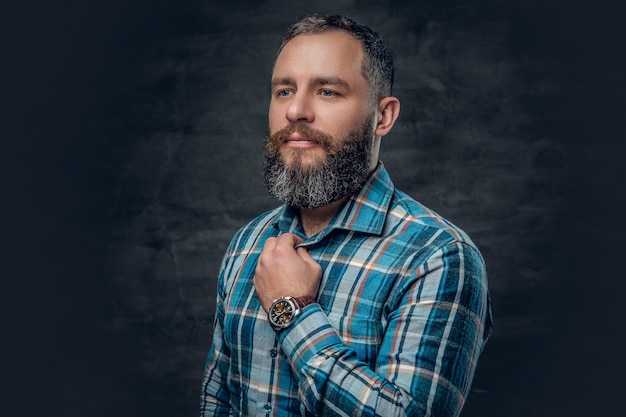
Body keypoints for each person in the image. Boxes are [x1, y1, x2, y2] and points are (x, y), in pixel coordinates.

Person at [200, 14, 492, 417]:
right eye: (284, 91)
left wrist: (293, 309)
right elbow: (219, 401)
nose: (296, 111)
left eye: (328, 92)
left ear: (383, 117)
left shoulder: (438, 256)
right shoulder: (247, 244)